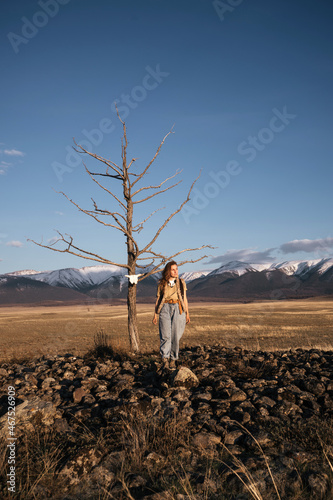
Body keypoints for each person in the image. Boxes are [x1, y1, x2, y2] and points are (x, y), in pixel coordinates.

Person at [152, 261, 190, 369]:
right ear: (168, 271)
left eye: (177, 269)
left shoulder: (182, 282)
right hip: (164, 308)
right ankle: (165, 359)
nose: (176, 271)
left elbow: (185, 298)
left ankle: (173, 359)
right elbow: (158, 299)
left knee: (175, 335)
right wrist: (155, 314)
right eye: (173, 269)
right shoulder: (162, 283)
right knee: (165, 335)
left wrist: (187, 313)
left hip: (178, 308)